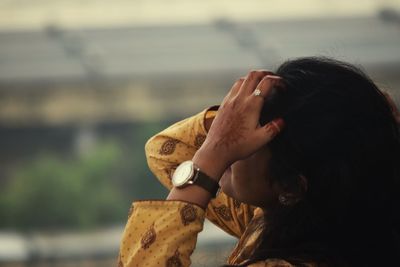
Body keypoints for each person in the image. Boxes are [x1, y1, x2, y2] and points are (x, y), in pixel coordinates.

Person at [118, 57, 400, 266]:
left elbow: (173, 154)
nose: (226, 142)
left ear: (291, 187)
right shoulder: (290, 217)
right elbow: (166, 151)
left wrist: (214, 153)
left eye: (250, 140)